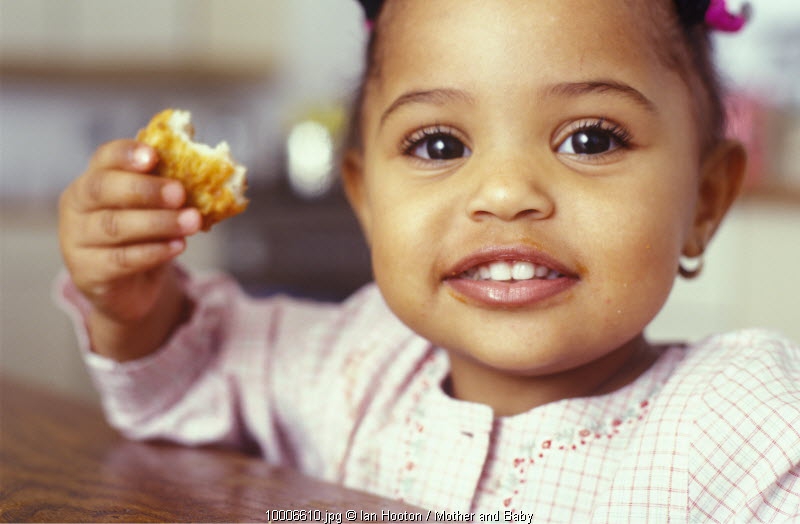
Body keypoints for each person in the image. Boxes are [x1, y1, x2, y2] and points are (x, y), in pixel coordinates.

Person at [57, 0, 799, 520]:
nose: (505, 194)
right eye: (438, 144)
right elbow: (181, 385)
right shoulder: (349, 364)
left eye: (591, 139)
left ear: (704, 201)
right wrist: (133, 309)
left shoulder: (744, 426)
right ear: (366, 201)